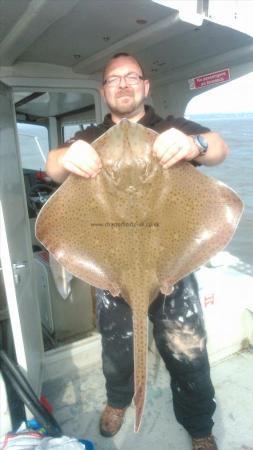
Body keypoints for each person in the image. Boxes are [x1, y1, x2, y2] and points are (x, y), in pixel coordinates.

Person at [46, 53, 228, 450]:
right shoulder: (91, 136)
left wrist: (193, 143)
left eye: (132, 77)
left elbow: (218, 149)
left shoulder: (170, 127)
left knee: (187, 352)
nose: (124, 84)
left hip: (171, 266)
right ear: (105, 91)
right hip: (113, 266)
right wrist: (65, 157)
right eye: (114, 79)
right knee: (116, 349)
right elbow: (53, 167)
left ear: (146, 87)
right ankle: (118, 400)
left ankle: (199, 425)